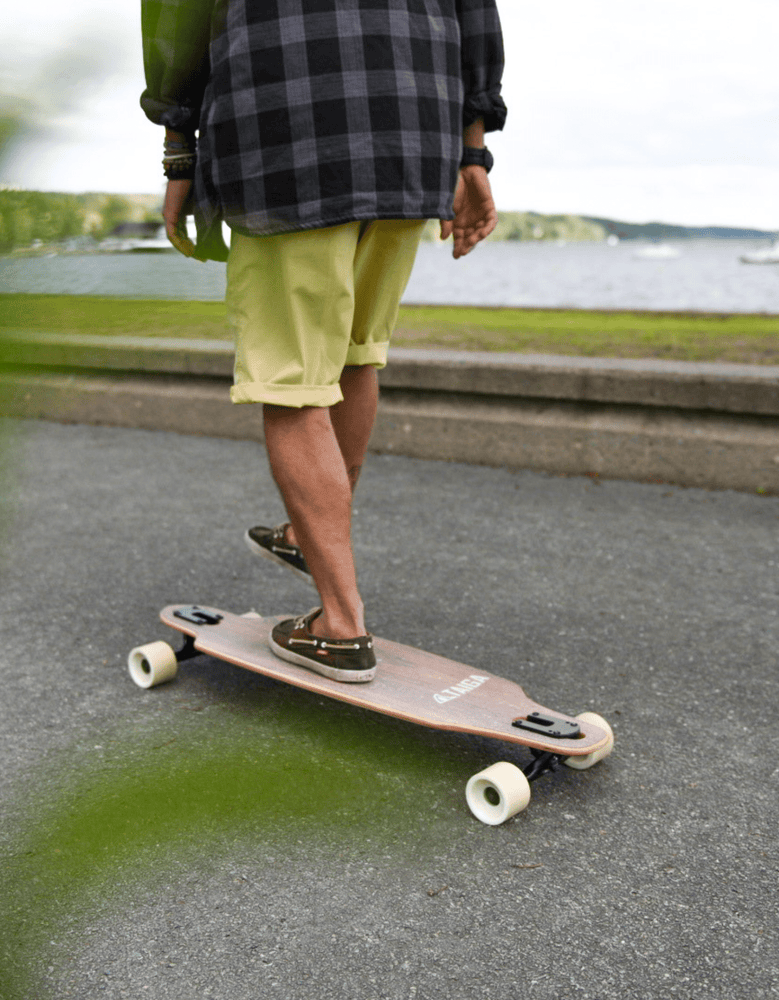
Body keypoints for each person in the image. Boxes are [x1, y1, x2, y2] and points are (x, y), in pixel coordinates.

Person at [141, 0, 506, 683]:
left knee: (291, 380)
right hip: (412, 125)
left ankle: (340, 628)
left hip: (284, 126)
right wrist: (473, 150)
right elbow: (474, 12)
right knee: (354, 350)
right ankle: (307, 540)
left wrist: (178, 152)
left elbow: (177, 18)